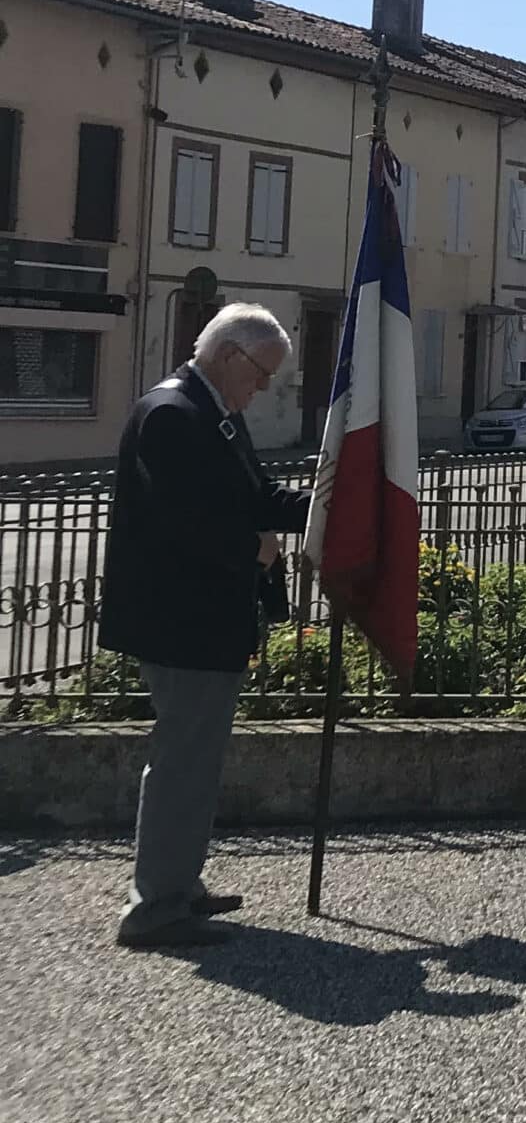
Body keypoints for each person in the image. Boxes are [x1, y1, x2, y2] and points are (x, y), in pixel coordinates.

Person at [98, 303, 309, 947]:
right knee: (183, 761)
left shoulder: (210, 412)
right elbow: (182, 521)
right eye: (262, 373)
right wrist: (254, 549)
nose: (265, 387)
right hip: (180, 620)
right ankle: (156, 905)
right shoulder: (172, 414)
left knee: (196, 759)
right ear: (227, 355)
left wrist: (331, 503)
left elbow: (252, 497)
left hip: (203, 620)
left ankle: (178, 885)